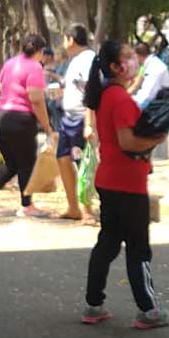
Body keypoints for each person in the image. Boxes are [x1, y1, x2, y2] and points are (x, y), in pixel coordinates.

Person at [78, 39, 169, 330]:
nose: (135, 61)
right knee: (138, 248)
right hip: (127, 183)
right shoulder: (119, 98)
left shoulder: (108, 95)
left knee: (107, 243)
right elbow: (128, 141)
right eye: (128, 57)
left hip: (110, 179)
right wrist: (158, 138)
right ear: (116, 66)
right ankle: (148, 309)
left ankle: (94, 304)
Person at [0, 34, 56, 218]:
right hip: (20, 120)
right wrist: (47, 126)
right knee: (27, 163)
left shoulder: (10, 63)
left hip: (0, 118)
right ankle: (27, 206)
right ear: (40, 51)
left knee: (13, 164)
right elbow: (36, 99)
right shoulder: (35, 67)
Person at [54, 25, 95, 222]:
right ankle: (73, 207)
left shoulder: (87, 59)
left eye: (64, 39)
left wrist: (89, 123)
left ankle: (87, 209)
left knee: (82, 163)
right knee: (62, 159)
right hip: (67, 119)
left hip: (80, 119)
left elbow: (91, 92)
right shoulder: (74, 61)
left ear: (71, 39)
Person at [131, 37, 169, 109]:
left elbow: (147, 95)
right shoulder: (149, 65)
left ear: (137, 56)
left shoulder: (155, 67)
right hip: (155, 102)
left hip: (157, 106)